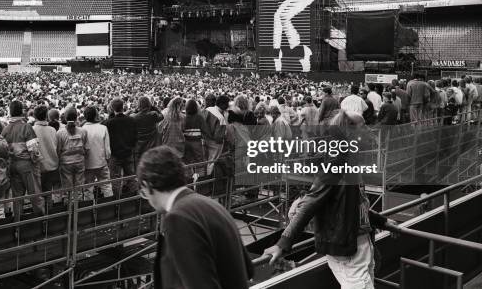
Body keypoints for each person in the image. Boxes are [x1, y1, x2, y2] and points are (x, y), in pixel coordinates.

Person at [262, 111, 397, 289]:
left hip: (357, 245)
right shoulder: (337, 164)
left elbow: (354, 206)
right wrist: (283, 243)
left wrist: (383, 221)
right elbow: (311, 202)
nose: (367, 129)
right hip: (349, 248)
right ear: (349, 132)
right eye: (363, 125)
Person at [137, 145, 254, 289]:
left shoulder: (178, 219)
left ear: (147, 184)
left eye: (143, 192)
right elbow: (247, 270)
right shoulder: (213, 206)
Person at [2, 100, 44, 215]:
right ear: (21, 111)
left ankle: (18, 226)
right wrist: (36, 165)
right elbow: (34, 151)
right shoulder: (26, 127)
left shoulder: (5, 130)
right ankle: (41, 224)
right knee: (35, 195)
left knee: (17, 198)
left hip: (12, 165)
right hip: (26, 165)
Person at [103, 98, 138, 194]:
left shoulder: (109, 122)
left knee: (115, 180)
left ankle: (117, 204)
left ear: (112, 108)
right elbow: (135, 136)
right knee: (131, 178)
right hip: (128, 152)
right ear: (123, 107)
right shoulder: (131, 120)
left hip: (115, 155)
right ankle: (135, 201)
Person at [82, 106, 113, 199]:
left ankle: (89, 212)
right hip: (101, 162)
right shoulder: (103, 128)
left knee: (88, 189)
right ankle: (109, 210)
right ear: (96, 115)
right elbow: (107, 149)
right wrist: (107, 160)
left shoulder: (82, 129)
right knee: (106, 186)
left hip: (87, 164)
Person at [56, 107, 88, 192]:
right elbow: (86, 147)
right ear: (76, 117)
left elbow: (58, 150)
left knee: (67, 188)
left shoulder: (59, 133)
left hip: (66, 163)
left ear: (65, 118)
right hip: (79, 161)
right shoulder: (83, 131)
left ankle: (69, 204)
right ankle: (80, 204)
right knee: (79, 187)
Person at [32, 105, 60, 202]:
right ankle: (49, 214)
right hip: (52, 166)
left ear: (35, 116)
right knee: (47, 194)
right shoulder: (52, 130)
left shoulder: (32, 130)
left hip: (39, 168)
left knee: (40, 197)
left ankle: (45, 215)